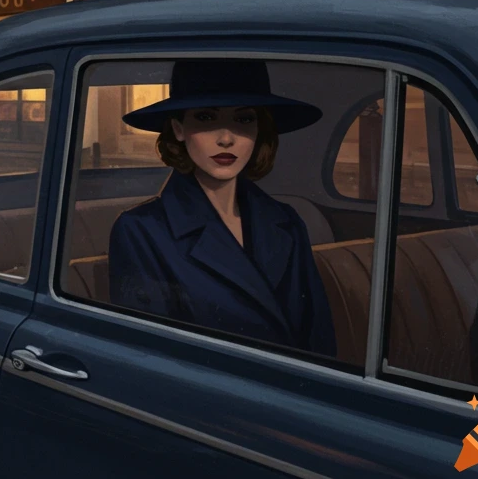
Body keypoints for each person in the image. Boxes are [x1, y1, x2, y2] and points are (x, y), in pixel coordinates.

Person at [108, 58, 337, 357]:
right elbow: (152, 358)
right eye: (205, 118)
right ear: (178, 128)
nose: (226, 138)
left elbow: (319, 341)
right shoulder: (142, 231)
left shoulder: (286, 222)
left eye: (243, 120)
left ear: (259, 130)